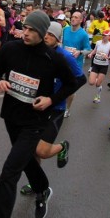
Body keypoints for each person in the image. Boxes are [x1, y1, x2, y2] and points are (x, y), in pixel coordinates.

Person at [0, 11, 80, 218]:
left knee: (10, 170)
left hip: (35, 122)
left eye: (32, 30)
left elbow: (73, 83)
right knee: (28, 160)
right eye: (25, 28)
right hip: (11, 118)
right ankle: (43, 190)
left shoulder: (53, 58)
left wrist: (51, 99)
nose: (26, 32)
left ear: (42, 34)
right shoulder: (11, 49)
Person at [21, 23, 86, 196]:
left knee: (41, 151)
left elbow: (81, 79)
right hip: (35, 107)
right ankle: (36, 185)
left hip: (55, 108)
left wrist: (57, 96)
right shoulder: (37, 51)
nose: (46, 36)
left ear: (57, 38)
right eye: (45, 33)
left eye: (50, 34)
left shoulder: (65, 57)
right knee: (31, 151)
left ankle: (62, 147)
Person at [61, 11, 91, 116]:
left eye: (76, 17)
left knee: (70, 89)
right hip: (63, 63)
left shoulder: (83, 34)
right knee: (59, 85)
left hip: (75, 65)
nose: (73, 19)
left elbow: (88, 49)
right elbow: (61, 43)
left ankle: (67, 109)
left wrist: (80, 52)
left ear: (81, 20)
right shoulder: (65, 30)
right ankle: (59, 106)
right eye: (72, 17)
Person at [86, 27, 110, 104]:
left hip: (103, 66)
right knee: (91, 82)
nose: (103, 36)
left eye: (105, 35)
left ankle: (98, 96)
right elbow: (95, 50)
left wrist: (108, 57)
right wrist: (91, 54)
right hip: (96, 64)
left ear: (109, 36)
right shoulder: (98, 42)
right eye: (103, 35)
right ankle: (97, 79)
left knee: (98, 84)